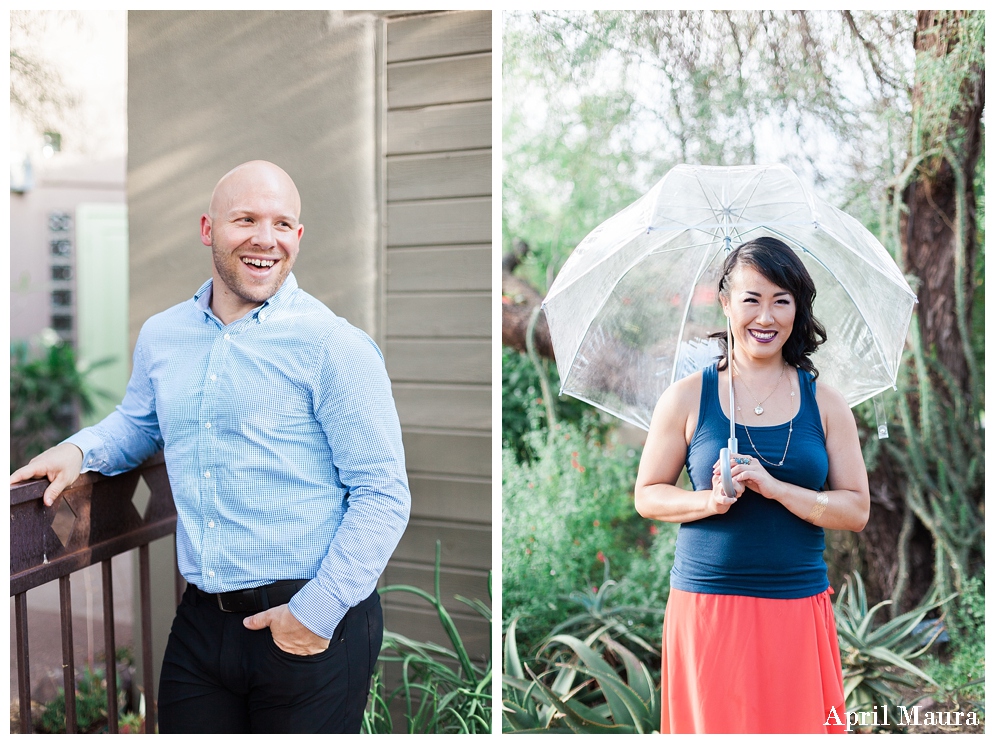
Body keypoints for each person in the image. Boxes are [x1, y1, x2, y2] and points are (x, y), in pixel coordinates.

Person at [9, 160, 411, 734]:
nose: (264, 239)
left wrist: (315, 615)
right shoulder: (163, 335)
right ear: (208, 229)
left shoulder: (333, 346)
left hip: (311, 616)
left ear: (297, 237)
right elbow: (137, 423)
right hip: (203, 621)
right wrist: (78, 451)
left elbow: (382, 495)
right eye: (245, 219)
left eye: (281, 224)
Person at [634, 236, 869, 734]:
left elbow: (855, 510)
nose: (766, 317)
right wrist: (709, 501)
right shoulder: (684, 398)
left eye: (781, 300)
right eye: (752, 299)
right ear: (725, 303)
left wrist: (779, 489)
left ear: (798, 309)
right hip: (709, 610)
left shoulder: (826, 403)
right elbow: (649, 494)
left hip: (796, 606)